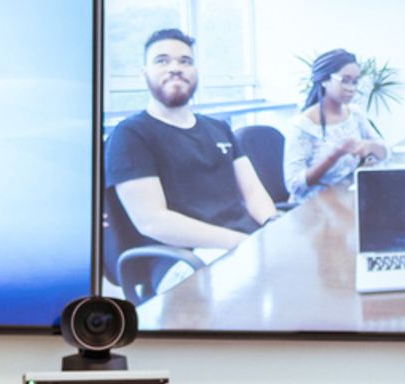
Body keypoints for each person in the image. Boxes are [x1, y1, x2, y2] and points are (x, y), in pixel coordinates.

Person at [106, 28, 279, 252]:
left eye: (185, 61)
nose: (175, 68)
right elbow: (152, 221)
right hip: (182, 255)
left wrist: (271, 224)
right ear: (144, 73)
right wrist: (241, 244)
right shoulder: (131, 135)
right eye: (162, 61)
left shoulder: (219, 129)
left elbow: (254, 192)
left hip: (240, 241)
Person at [281, 48, 389, 203]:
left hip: (347, 200)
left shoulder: (355, 114)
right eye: (344, 80)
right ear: (324, 80)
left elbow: (385, 152)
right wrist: (334, 156)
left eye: (355, 81)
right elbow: (294, 185)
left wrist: (371, 146)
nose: (351, 88)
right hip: (314, 209)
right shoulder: (303, 125)